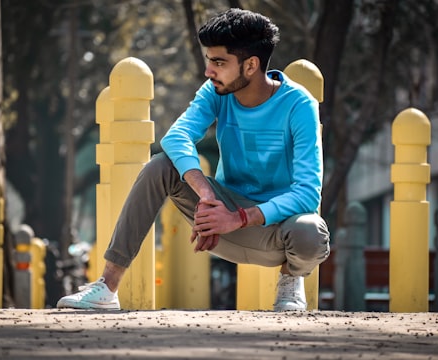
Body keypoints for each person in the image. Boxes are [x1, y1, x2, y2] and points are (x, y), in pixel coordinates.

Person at [57, 8, 330, 312]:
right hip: (217, 222)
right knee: (161, 165)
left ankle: (290, 283)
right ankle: (107, 288)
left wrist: (239, 218)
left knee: (311, 232)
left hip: (275, 234)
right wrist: (206, 193)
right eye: (209, 61)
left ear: (251, 65)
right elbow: (175, 137)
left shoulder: (299, 104)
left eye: (219, 62)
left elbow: (307, 193)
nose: (209, 71)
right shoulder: (217, 92)